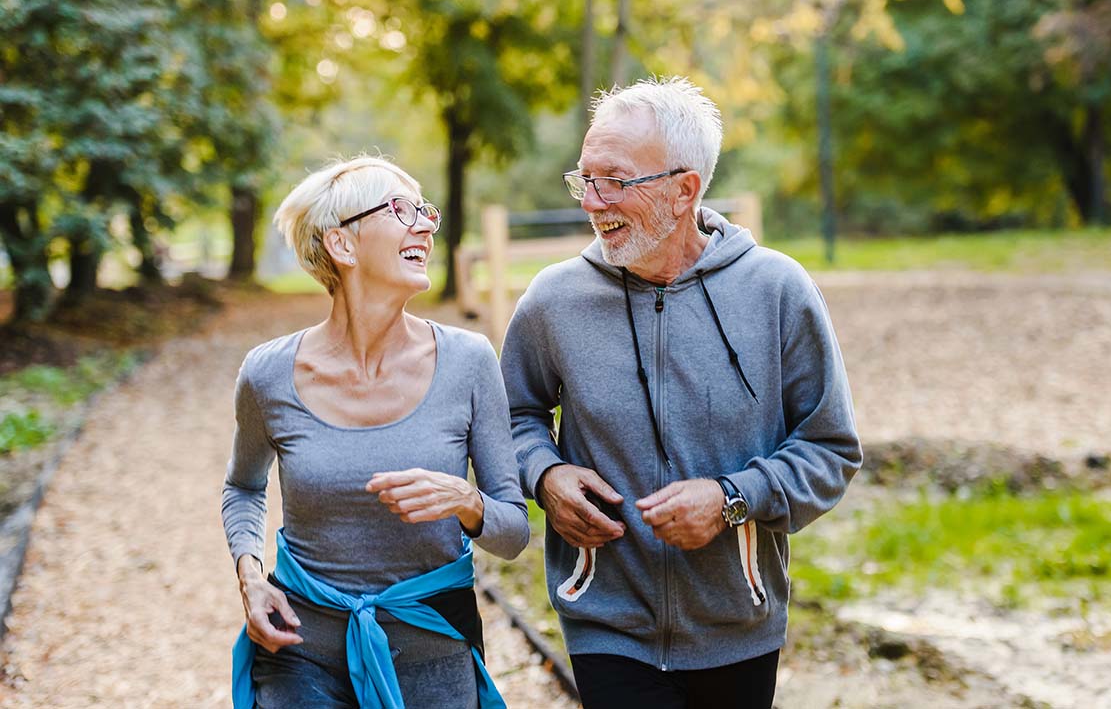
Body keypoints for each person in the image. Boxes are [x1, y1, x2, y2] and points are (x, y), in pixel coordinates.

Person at [500, 77, 862, 709]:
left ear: (685, 189)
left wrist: (732, 500)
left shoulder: (778, 291)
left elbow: (831, 448)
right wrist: (545, 475)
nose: (592, 201)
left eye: (614, 181)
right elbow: (513, 415)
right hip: (605, 620)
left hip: (740, 623)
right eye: (583, 179)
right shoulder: (554, 300)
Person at [222, 156, 527, 708]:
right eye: (401, 209)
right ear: (343, 246)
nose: (427, 224)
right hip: (300, 653)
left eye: (427, 210)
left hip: (435, 651)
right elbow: (243, 486)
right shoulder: (267, 374)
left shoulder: (470, 361)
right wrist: (250, 575)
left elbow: (513, 532)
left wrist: (466, 499)